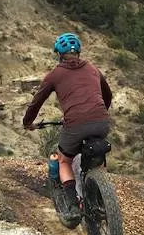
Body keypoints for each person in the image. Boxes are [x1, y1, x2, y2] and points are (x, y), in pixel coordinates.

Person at [23, 32, 112, 222]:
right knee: (98, 153)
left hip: (75, 124)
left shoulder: (55, 74)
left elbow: (37, 102)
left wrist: (27, 123)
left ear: (59, 54)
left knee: (64, 160)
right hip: (102, 120)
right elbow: (108, 95)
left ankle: (72, 204)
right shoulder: (93, 68)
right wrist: (99, 112)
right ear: (79, 51)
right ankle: (103, 197)